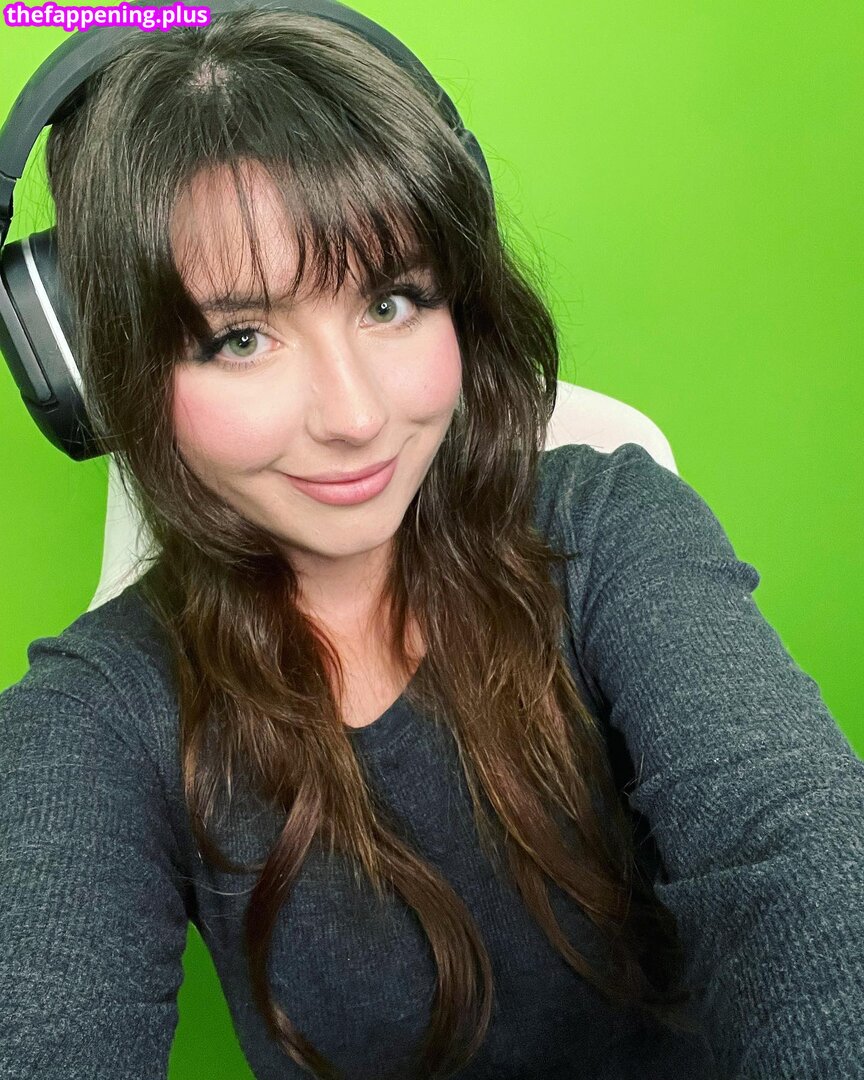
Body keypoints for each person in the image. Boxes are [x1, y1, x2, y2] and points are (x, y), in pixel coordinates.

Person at [1, 4, 862, 1079]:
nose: (357, 415)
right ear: (104, 371)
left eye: (393, 301)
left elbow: (791, 847)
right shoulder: (100, 709)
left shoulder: (608, 528)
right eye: (242, 337)